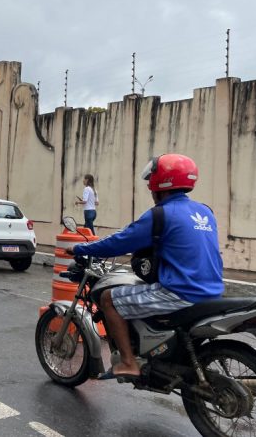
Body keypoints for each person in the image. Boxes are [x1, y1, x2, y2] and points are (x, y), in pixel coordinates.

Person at [70, 154, 223, 379]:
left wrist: (80, 249)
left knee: (109, 299)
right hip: (213, 291)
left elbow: (120, 242)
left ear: (158, 184)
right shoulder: (205, 212)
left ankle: (129, 362)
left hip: (180, 292)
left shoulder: (161, 214)